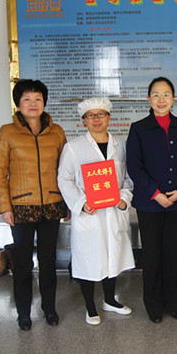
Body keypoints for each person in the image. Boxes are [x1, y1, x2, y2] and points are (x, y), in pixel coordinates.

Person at [0, 79, 67, 331]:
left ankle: (49, 308)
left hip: (52, 204)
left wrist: (68, 202)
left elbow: (65, 170)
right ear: (18, 103)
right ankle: (23, 312)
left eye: (37, 98)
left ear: (44, 102)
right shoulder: (7, 132)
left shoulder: (57, 132)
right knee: (22, 263)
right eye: (27, 99)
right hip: (21, 207)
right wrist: (4, 207)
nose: (32, 103)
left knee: (48, 261)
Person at [58, 97, 135, 325]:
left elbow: (129, 178)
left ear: (109, 117)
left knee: (113, 257)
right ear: (83, 120)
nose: (96, 119)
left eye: (101, 114)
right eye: (90, 115)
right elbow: (64, 179)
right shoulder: (73, 148)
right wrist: (81, 203)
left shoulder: (121, 146)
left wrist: (124, 199)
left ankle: (110, 300)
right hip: (90, 214)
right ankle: (90, 307)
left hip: (113, 211)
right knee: (88, 260)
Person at [126, 77, 177, 323]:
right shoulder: (138, 128)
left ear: (173, 99)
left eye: (166, 94)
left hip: (176, 201)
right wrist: (155, 194)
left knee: (171, 253)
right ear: (148, 99)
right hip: (149, 203)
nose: (161, 100)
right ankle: (153, 305)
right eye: (156, 95)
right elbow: (134, 166)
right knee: (152, 255)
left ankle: (174, 303)